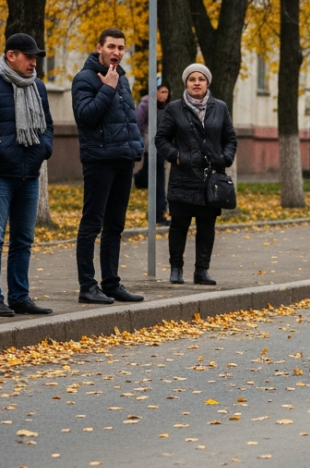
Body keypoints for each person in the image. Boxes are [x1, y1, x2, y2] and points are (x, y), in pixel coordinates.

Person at [0, 33, 55, 317]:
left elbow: (48, 125)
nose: (33, 62)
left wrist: (44, 148)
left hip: (29, 175)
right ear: (10, 55)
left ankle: (19, 296)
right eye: (28, 56)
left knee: (22, 240)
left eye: (35, 58)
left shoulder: (38, 87)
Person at [70, 29, 144, 304]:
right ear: (99, 47)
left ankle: (111, 283)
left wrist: (136, 149)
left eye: (121, 48)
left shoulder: (121, 79)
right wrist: (107, 87)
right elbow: (85, 117)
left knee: (115, 225)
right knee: (92, 224)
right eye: (111, 46)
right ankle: (87, 286)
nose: (116, 52)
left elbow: (128, 121)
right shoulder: (85, 79)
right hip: (99, 160)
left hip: (123, 159)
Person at [155, 64, 236, 285]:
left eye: (201, 79)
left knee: (206, 226)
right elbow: (160, 138)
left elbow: (230, 139)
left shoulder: (220, 107)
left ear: (207, 83)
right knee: (179, 225)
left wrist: (224, 158)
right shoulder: (174, 108)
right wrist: (177, 156)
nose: (197, 83)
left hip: (211, 179)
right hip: (183, 177)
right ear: (186, 83)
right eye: (192, 79)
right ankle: (176, 269)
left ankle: (202, 271)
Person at [136, 79, 170, 225]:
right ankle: (158, 213)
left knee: (157, 179)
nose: (165, 96)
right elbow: (137, 124)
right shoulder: (146, 105)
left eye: (167, 92)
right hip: (150, 147)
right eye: (162, 92)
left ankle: (158, 211)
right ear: (154, 91)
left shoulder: (166, 107)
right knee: (156, 179)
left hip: (161, 147)